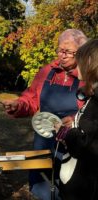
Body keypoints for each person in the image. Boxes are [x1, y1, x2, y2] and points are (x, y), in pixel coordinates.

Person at [3, 29, 88, 200]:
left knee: (71, 190)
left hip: (74, 146)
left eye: (68, 52)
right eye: (60, 50)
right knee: (43, 188)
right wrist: (18, 105)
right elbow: (31, 99)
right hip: (44, 141)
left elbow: (93, 111)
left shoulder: (88, 74)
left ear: (80, 52)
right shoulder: (46, 71)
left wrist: (75, 120)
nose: (62, 55)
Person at [54, 39, 98, 200]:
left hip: (84, 189)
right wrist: (74, 123)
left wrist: (65, 132)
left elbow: (85, 146)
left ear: (89, 63)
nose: (76, 66)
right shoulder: (93, 94)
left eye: (79, 62)